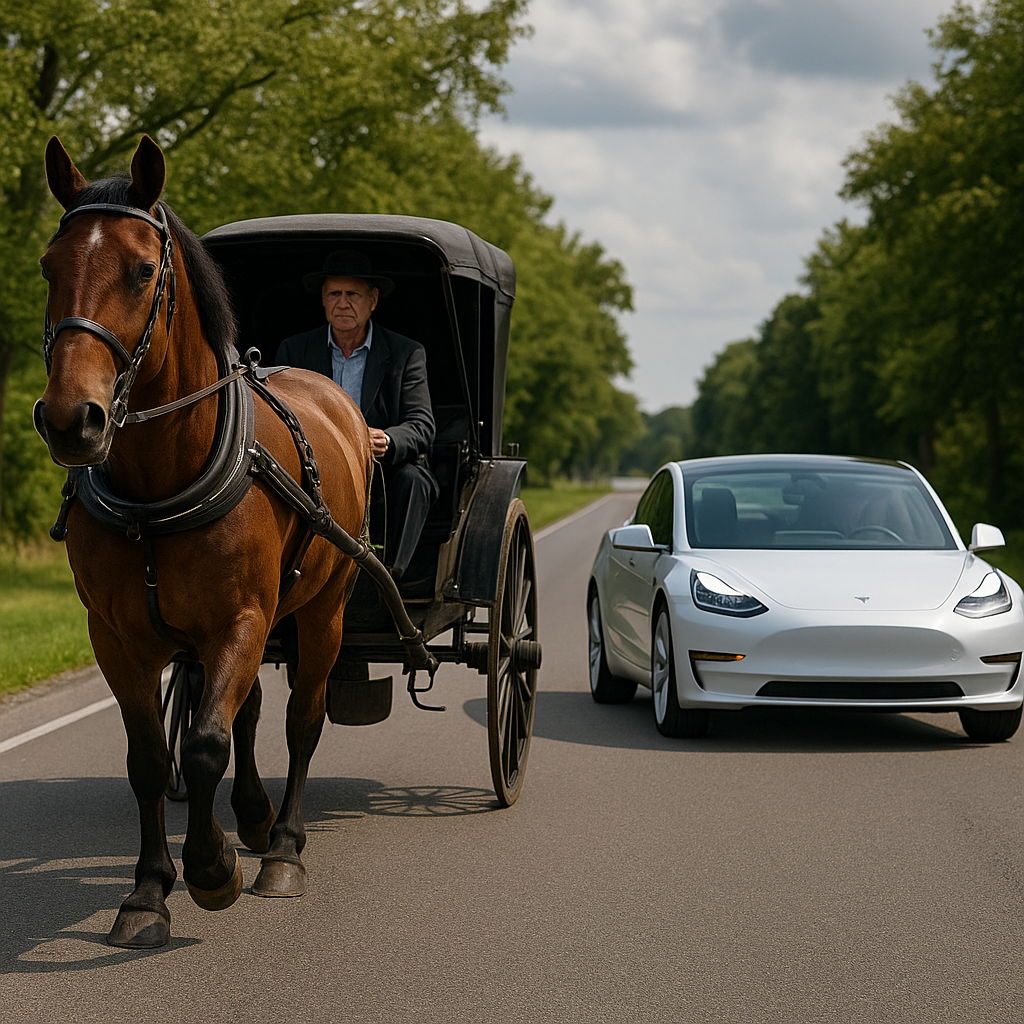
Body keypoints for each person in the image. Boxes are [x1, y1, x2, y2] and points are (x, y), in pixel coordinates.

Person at [277, 250, 438, 581]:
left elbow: (422, 425)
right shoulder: (294, 351)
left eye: (353, 295)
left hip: (383, 472)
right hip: (314, 471)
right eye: (334, 294)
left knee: (414, 480)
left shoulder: (407, 354)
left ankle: (388, 579)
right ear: (323, 300)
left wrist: (388, 440)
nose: (343, 303)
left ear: (373, 300)